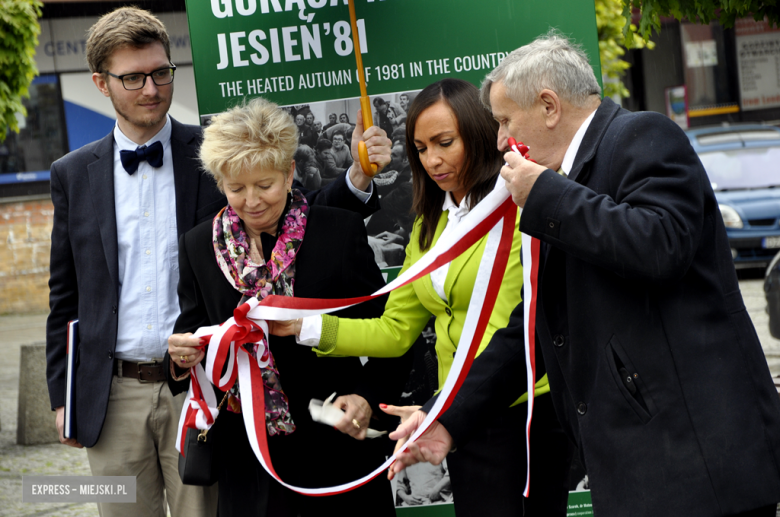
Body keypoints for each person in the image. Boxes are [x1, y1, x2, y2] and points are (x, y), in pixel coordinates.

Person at [391, 32, 780, 517]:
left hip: (698, 464)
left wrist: (548, 197)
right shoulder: (557, 188)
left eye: (506, 120)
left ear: (549, 106)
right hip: (639, 468)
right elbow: (531, 329)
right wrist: (447, 418)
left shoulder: (643, 136)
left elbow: (660, 246)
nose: (499, 139)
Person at [44, 7, 383, 517]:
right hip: (111, 394)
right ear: (101, 83)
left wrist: (357, 177)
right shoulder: (71, 173)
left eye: (161, 73)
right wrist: (62, 393)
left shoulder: (214, 151)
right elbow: (64, 293)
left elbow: (293, 206)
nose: (151, 88)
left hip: (208, 392)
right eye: (133, 78)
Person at [273, 79, 572, 517]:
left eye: (444, 143)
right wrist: (305, 326)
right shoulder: (429, 224)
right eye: (420, 148)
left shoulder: (521, 203)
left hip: (524, 413)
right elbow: (395, 331)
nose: (432, 160)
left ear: (479, 133)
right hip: (459, 415)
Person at [165, 97, 403, 517]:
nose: (251, 201)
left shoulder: (336, 230)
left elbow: (392, 331)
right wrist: (182, 357)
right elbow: (195, 336)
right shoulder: (199, 246)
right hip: (250, 459)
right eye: (236, 188)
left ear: (290, 172)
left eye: (265, 185)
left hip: (335, 441)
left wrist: (368, 396)